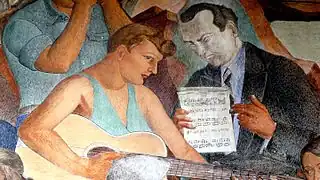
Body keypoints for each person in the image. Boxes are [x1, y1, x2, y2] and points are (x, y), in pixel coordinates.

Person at [18, 23, 206, 180]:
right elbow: (31, 130)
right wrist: (84, 168)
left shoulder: (144, 96)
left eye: (156, 62)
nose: (154, 70)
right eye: (148, 58)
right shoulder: (79, 87)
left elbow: (183, 151)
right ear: (122, 52)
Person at [174, 3, 320, 175]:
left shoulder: (280, 69)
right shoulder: (198, 80)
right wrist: (179, 131)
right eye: (191, 44)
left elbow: (317, 140)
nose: (200, 51)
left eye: (205, 39)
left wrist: (272, 130)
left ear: (231, 29)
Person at [2, 0, 111, 122]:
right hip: (43, 120)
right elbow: (58, 63)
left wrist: (109, 4)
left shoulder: (98, 11)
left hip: (100, 117)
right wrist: (83, 5)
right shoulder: (21, 23)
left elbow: (131, 48)